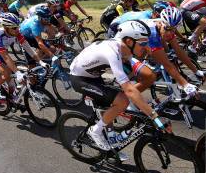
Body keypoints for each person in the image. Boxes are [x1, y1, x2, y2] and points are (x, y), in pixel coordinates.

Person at [69, 20, 167, 160]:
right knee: (122, 100)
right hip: (79, 78)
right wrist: (154, 117)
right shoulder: (113, 51)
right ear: (128, 41)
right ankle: (95, 131)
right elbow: (130, 90)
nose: (146, 48)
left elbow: (136, 68)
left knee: (112, 102)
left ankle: (111, 144)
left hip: (93, 75)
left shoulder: (124, 48)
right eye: (143, 44)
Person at [0, 13, 46, 100]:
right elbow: (5, 56)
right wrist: (17, 73)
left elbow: (28, 48)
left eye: (17, 26)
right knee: (7, 72)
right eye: (14, 28)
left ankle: (11, 95)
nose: (17, 30)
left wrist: (40, 62)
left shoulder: (16, 33)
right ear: (6, 28)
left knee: (11, 74)